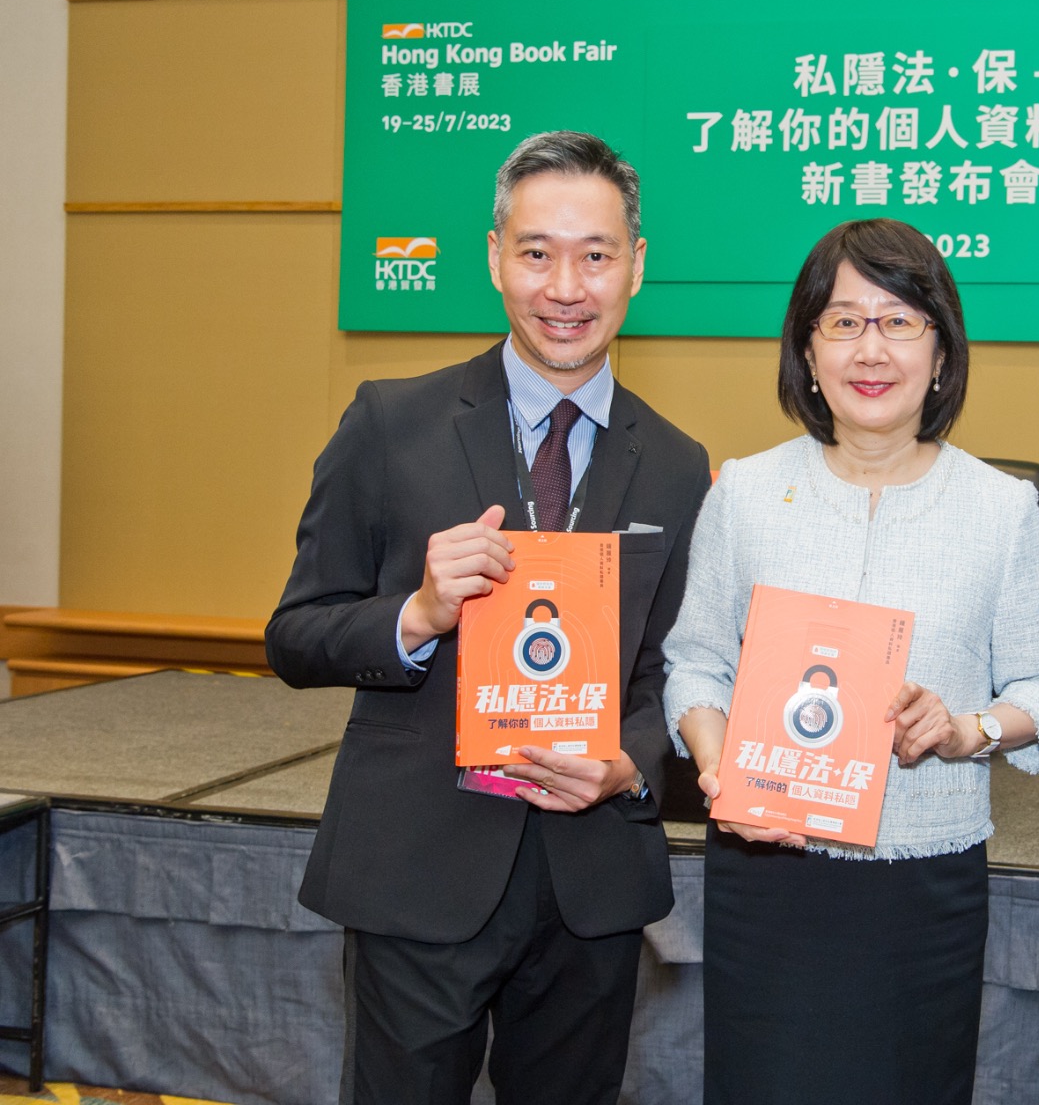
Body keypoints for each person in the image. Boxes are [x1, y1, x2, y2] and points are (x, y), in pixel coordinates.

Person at [266, 131, 711, 1105]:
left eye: (595, 256)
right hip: (419, 864)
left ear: (637, 265)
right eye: (537, 252)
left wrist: (631, 761)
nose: (566, 287)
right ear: (494, 256)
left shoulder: (680, 466)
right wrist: (418, 614)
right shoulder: (390, 424)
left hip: (591, 879)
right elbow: (295, 635)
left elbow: (674, 673)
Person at [661, 218, 1039, 1105]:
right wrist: (717, 765)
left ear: (941, 353)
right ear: (806, 351)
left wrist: (965, 729)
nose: (871, 349)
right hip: (767, 869)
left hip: (920, 882)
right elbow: (696, 665)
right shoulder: (746, 492)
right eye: (843, 322)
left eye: (899, 322)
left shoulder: (999, 508)